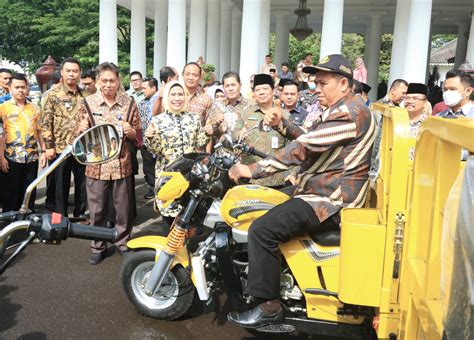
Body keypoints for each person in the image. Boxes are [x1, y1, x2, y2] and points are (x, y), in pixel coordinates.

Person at [227, 54, 375, 329]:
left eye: (322, 82)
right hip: (318, 191)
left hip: (330, 201)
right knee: (264, 203)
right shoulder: (341, 108)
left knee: (262, 229)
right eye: (314, 82)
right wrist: (282, 124)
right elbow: (308, 136)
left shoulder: (350, 112)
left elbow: (303, 148)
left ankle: (268, 305)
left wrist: (253, 170)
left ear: (343, 83)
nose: (315, 88)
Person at [75, 62, 141, 265]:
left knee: (123, 209)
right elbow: (78, 135)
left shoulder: (128, 102)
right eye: (104, 80)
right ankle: (98, 245)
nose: (108, 85)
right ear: (97, 81)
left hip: (122, 164)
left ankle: (122, 242)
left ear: (118, 81)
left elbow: (137, 134)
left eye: (112, 80)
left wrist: (129, 130)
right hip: (96, 165)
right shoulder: (87, 103)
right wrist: (82, 127)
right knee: (97, 209)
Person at [144, 81, 211, 232]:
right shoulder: (158, 120)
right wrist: (149, 138)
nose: (177, 98)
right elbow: (155, 150)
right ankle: (168, 254)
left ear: (185, 97)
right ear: (167, 98)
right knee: (169, 217)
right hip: (169, 176)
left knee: (188, 216)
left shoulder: (194, 118)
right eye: (173, 94)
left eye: (180, 94)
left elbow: (199, 142)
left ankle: (186, 253)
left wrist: (207, 133)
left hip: (190, 176)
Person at [40, 57, 88, 218]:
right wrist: (48, 146)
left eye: (75, 71)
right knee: (60, 184)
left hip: (82, 147)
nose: (72, 74)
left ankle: (79, 214)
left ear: (80, 73)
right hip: (59, 147)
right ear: (62, 72)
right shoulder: (51, 95)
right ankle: (59, 216)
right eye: (68, 70)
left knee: (82, 183)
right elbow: (45, 122)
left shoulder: (86, 95)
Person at [231, 74, 291, 188]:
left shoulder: (284, 115)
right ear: (253, 93)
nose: (261, 92)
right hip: (249, 178)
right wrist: (239, 134)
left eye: (265, 89)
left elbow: (293, 146)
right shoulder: (246, 114)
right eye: (257, 90)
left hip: (276, 178)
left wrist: (292, 174)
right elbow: (234, 135)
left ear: (273, 91)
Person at [0, 73, 46, 212]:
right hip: (10, 157)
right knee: (10, 192)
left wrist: (43, 151)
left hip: (31, 158)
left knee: (29, 191)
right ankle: (9, 223)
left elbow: (39, 132)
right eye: (17, 87)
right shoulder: (3, 108)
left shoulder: (35, 108)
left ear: (28, 89)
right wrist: (1, 157)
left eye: (23, 87)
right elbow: (0, 135)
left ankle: (27, 221)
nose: (20, 90)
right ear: (10, 88)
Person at [436, 69, 473, 160]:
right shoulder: (438, 118)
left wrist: (460, 154)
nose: (447, 93)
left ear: (468, 91)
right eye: (445, 90)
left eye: (453, 89)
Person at [138, 77, 160, 199]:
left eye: (145, 88)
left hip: (159, 142)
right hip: (145, 142)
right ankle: (152, 188)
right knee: (148, 167)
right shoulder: (142, 102)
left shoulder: (161, 101)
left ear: (153, 88)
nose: (142, 91)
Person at [404, 83, 430, 160]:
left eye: (415, 98)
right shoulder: (396, 120)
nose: (410, 101)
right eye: (407, 98)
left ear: (425, 103)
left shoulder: (428, 125)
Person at [182, 62, 212, 127]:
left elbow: (209, 123)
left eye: (195, 75)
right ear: (183, 75)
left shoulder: (206, 99)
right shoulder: (174, 96)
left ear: (200, 77)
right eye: (187, 74)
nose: (190, 78)